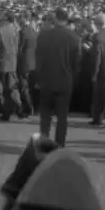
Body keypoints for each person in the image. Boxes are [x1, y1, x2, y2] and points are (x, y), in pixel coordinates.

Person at [35, 8, 81, 147]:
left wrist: (38, 78)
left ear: (56, 19)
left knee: (45, 116)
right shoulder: (74, 37)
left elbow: (39, 59)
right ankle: (60, 144)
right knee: (62, 117)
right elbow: (77, 63)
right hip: (65, 80)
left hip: (47, 80)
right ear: (67, 19)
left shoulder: (44, 35)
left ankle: (43, 142)